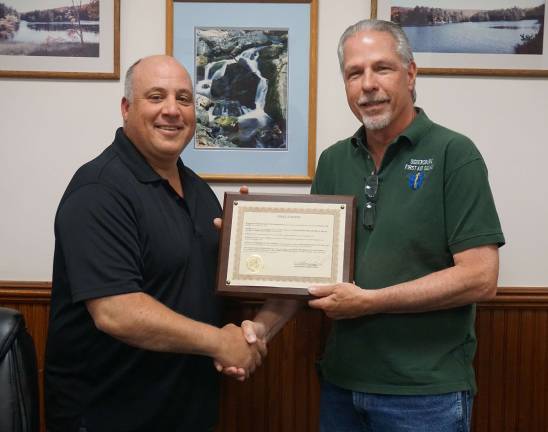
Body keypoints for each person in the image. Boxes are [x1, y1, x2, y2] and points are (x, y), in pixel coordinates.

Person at [44, 55, 267, 432]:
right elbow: (116, 310)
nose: (172, 111)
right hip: (108, 415)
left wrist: (251, 243)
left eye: (183, 99)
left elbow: (198, 283)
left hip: (186, 410)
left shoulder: (198, 191)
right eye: (156, 96)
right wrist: (219, 342)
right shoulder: (99, 190)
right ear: (127, 109)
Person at [306, 19, 505, 431]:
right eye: (354, 73)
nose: (367, 85)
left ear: (410, 74)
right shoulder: (332, 162)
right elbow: (309, 265)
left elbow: (480, 278)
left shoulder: (454, 153)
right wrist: (245, 247)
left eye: (382, 68)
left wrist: (371, 301)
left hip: (425, 394)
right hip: (341, 386)